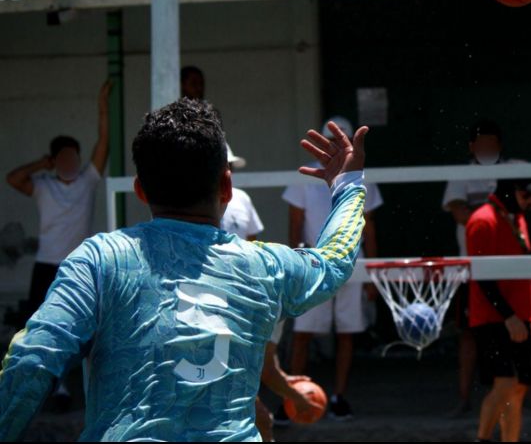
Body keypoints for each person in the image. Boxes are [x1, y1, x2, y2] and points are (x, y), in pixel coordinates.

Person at [0, 98, 369, 441]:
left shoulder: (98, 260)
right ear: (227, 186)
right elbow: (333, 261)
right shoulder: (264, 266)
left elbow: (33, 359)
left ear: (140, 190)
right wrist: (348, 186)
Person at [282, 116, 382, 421]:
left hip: (353, 260)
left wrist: (371, 273)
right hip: (314, 262)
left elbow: (370, 228)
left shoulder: (363, 175)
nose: (337, 144)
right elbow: (295, 225)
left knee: (347, 332)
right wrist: (296, 265)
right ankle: (292, 399)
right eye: (331, 139)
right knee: (304, 333)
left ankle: (338, 397)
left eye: (342, 139)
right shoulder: (303, 177)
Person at [5, 80, 113, 324]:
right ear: (54, 160)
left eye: (73, 158)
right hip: (46, 265)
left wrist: (102, 106)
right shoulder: (43, 185)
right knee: (39, 323)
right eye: (63, 159)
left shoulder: (87, 180)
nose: (70, 163)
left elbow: (103, 142)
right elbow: (13, 178)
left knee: (82, 321)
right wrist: (42, 164)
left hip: (78, 263)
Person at [466, 178, 531, 442]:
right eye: (525, 195)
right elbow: (483, 277)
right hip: (492, 317)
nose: (530, 201)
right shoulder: (482, 220)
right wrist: (509, 317)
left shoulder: (517, 218)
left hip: (519, 316)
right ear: (509, 193)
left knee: (519, 387)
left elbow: (524, 275)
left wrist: (529, 317)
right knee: (505, 382)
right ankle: (483, 438)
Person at [441, 119, 504, 416]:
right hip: (471, 269)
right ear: (471, 147)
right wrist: (497, 216)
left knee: (515, 331)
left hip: (508, 270)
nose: (486, 148)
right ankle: (464, 399)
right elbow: (460, 214)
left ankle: (524, 397)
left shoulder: (516, 169)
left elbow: (524, 207)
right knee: (468, 335)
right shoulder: (460, 176)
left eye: (491, 143)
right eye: (481, 143)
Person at [220, 143, 264, 242]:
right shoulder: (195, 201)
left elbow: (252, 240)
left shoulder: (242, 197)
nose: (227, 172)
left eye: (229, 166)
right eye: (222, 166)